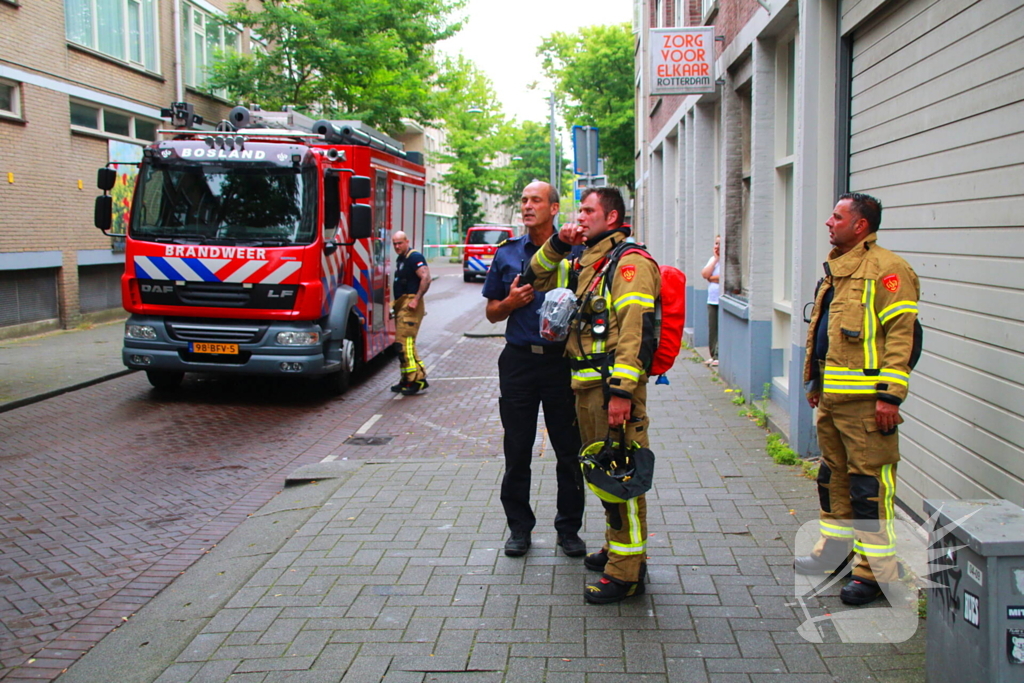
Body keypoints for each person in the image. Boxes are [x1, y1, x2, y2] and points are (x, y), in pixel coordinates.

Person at [524, 186, 661, 604]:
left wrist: (621, 393)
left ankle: (626, 573)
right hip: (585, 389)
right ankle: (617, 549)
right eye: (578, 211)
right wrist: (558, 241)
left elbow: (635, 335)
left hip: (610, 392)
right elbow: (535, 274)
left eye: (588, 211)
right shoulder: (586, 261)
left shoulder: (629, 264)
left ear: (613, 218)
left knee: (621, 479)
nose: (579, 217)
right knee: (602, 474)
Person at [795, 193, 921, 606]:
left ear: (861, 225)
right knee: (833, 479)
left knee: (869, 488)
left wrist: (890, 397)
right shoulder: (838, 269)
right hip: (833, 398)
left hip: (869, 405)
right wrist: (815, 384)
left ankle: (876, 574)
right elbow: (826, 333)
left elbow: (902, 337)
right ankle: (835, 550)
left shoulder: (888, 271)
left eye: (838, 216)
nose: (829, 222)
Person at [482, 181, 586, 559]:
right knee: (517, 449)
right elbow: (492, 312)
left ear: (554, 208)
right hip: (519, 361)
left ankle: (568, 530)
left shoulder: (579, 253)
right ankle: (519, 529)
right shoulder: (508, 253)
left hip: (563, 364)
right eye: (524, 200)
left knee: (569, 451)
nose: (527, 206)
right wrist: (509, 301)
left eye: (535, 200)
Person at [390, 231, 430, 396]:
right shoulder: (402, 259)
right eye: (394, 244)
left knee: (404, 344)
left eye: (400, 243)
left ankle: (418, 379)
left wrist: (416, 299)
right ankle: (406, 379)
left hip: (410, 305)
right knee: (403, 344)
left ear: (407, 241)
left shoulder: (414, 257)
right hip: (403, 304)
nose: (397, 246)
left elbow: (426, 277)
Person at [700, 235, 721, 367]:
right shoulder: (713, 260)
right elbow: (705, 274)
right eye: (716, 243)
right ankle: (713, 355)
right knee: (712, 328)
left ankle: (719, 355)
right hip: (712, 299)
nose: (717, 247)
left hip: (721, 300)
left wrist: (712, 278)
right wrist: (716, 260)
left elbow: (724, 277)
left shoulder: (729, 261)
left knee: (720, 329)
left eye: (719, 244)